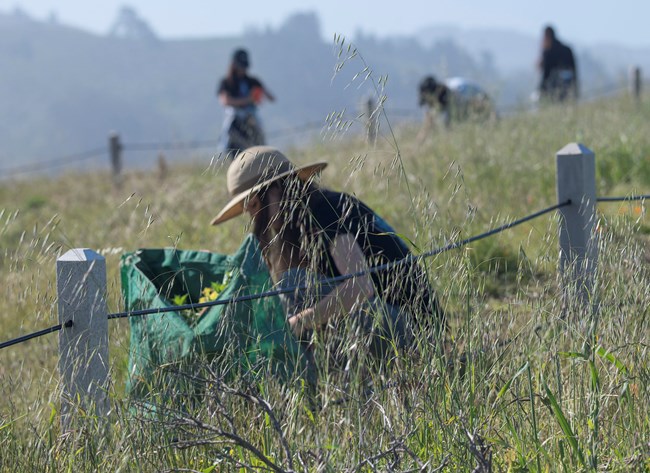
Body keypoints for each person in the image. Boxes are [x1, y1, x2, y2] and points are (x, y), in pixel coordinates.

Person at [210, 146, 445, 377]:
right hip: (391, 321)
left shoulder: (326, 210)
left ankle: (306, 380)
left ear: (274, 191)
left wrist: (298, 323)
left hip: (415, 332)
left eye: (253, 206)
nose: (252, 216)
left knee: (293, 284)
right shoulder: (303, 220)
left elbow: (360, 287)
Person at [217, 48, 276, 158]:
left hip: (251, 118)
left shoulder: (252, 81)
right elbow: (225, 101)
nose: (243, 69)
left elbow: (271, 98)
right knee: (231, 148)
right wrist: (248, 100)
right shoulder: (226, 82)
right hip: (235, 121)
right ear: (234, 65)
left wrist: (260, 94)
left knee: (260, 146)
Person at [538, 26, 578, 102]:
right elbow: (574, 71)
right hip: (569, 88)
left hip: (555, 90)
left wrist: (541, 90)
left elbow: (546, 75)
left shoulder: (548, 52)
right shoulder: (567, 49)